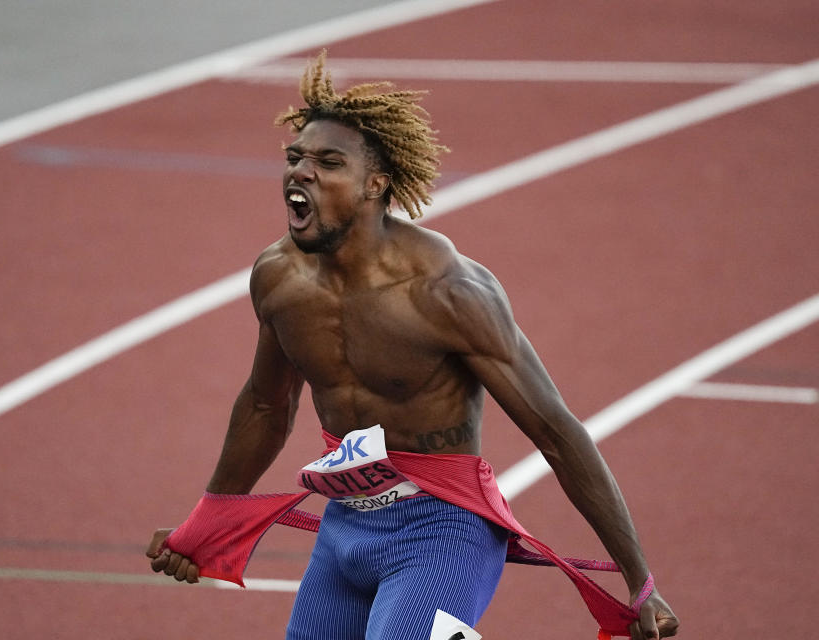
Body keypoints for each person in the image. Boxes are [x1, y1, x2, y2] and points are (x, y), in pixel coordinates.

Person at [147, 50, 679, 640]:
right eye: (295, 158)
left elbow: (555, 432)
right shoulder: (279, 278)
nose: (302, 172)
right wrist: (209, 522)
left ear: (376, 184)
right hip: (345, 525)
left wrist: (640, 581)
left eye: (328, 162)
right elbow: (267, 407)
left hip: (445, 533)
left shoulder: (447, 292)